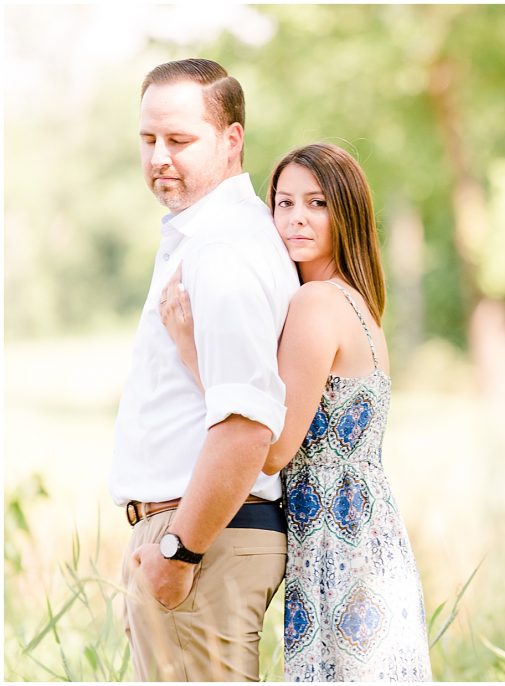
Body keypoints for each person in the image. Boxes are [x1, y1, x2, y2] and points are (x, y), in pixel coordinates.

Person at [160, 142, 433, 681]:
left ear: (346, 212)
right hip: (374, 539)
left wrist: (192, 348)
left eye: (316, 203)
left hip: (338, 542)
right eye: (284, 204)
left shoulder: (315, 306)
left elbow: (275, 448)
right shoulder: (360, 304)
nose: (296, 219)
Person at [109, 58, 300, 681]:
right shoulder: (210, 240)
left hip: (202, 541)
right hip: (197, 537)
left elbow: (247, 426)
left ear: (232, 138)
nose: (160, 156)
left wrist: (176, 552)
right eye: (148, 139)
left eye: (180, 140)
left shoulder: (222, 252)